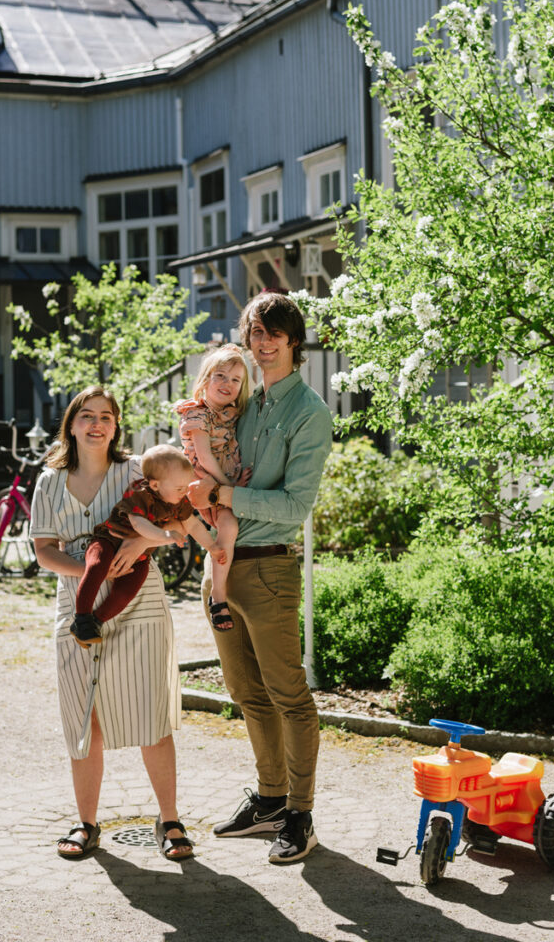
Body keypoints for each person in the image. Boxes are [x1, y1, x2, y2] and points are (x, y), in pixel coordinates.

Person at [187, 291, 332, 865]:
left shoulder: (309, 412)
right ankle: (270, 800)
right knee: (246, 694)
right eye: (256, 333)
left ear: (293, 341)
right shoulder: (246, 404)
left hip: (269, 567)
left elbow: (296, 507)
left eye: (275, 332)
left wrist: (222, 494)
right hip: (219, 568)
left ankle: (301, 814)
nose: (264, 342)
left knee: (289, 696)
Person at [30, 386, 194, 862]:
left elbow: (179, 523)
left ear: (116, 425)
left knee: (150, 712)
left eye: (106, 416)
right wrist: (91, 570)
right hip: (76, 606)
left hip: (139, 603)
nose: (97, 423)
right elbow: (44, 551)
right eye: (87, 416)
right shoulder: (48, 481)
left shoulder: (138, 469)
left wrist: (138, 548)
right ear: (73, 424)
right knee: (85, 716)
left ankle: (170, 821)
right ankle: (86, 823)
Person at [70, 443, 226, 646]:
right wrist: (166, 535)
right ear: (155, 485)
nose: (184, 493)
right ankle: (81, 617)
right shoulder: (140, 491)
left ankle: (96, 621)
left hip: (140, 555)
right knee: (96, 566)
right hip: (109, 538)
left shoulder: (178, 499)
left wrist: (212, 547)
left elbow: (194, 525)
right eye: (179, 488)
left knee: (127, 590)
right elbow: (139, 523)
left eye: (186, 487)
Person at [175, 343, 251, 633]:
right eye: (220, 376)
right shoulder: (197, 414)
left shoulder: (231, 414)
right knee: (187, 527)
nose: (227, 384)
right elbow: (205, 458)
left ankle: (218, 596)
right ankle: (217, 594)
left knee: (228, 529)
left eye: (235, 380)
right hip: (204, 484)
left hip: (223, 488)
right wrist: (230, 488)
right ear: (205, 378)